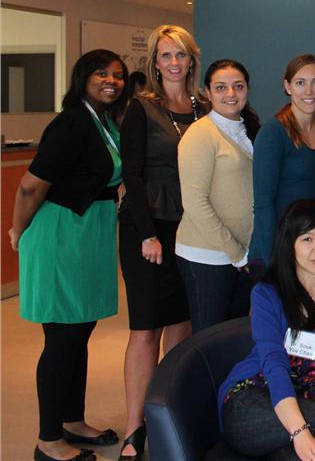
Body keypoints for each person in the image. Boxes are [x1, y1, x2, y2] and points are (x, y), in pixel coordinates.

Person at [8, 49, 128, 461]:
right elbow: (29, 186)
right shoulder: (72, 122)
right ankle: (47, 439)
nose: (111, 80)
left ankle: (72, 420)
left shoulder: (105, 122)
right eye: (101, 73)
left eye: (117, 75)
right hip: (61, 235)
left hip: (89, 233)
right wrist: (18, 230)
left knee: (81, 332)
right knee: (62, 338)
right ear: (83, 78)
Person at [117, 25, 207, 460]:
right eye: (166, 56)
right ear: (155, 62)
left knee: (183, 325)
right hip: (147, 228)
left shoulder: (205, 106)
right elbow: (130, 173)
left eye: (181, 55)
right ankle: (135, 430)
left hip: (193, 228)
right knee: (146, 327)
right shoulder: (141, 108)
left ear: (192, 59)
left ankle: (166, 414)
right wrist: (148, 233)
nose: (174, 63)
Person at [219, 199, 315, 461]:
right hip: (250, 403)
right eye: (306, 239)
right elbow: (274, 365)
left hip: (311, 410)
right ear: (290, 246)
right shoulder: (266, 295)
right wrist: (302, 431)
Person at [176, 59, 260, 333]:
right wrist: (237, 253)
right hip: (208, 255)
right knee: (208, 340)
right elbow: (194, 202)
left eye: (238, 86)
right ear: (208, 93)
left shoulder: (249, 128)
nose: (231, 94)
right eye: (221, 87)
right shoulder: (200, 135)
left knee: (234, 336)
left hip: (240, 255)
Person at [253, 54, 315, 276]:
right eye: (300, 83)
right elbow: (263, 203)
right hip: (280, 251)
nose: (309, 91)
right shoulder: (273, 133)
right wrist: (272, 263)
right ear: (287, 87)